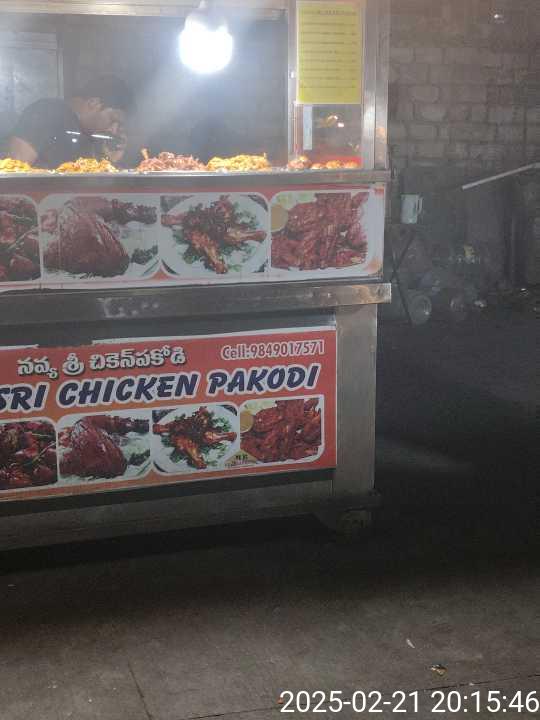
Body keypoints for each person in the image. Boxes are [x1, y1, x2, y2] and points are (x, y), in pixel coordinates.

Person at [7, 75, 134, 168]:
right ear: (93, 103)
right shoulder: (47, 112)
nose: (113, 129)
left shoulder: (86, 135)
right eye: (112, 120)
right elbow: (16, 168)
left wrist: (110, 161)